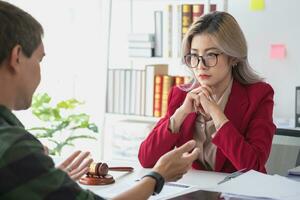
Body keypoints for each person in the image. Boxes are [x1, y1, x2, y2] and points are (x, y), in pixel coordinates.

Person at [0, 1, 200, 199]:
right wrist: (158, 176)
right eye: (39, 60)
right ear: (17, 57)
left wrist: (46, 182)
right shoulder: (13, 147)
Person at [139, 11, 276, 174]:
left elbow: (254, 168)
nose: (200, 65)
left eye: (211, 55)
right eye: (194, 55)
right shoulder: (180, 95)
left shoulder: (259, 95)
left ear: (233, 57)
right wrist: (180, 114)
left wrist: (217, 115)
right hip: (192, 193)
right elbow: (146, 160)